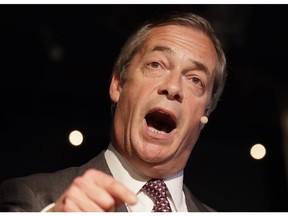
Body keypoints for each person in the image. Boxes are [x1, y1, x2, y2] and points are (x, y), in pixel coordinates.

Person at [0, 11, 227, 212]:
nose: (173, 87)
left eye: (195, 79)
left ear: (206, 112)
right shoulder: (33, 197)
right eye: (156, 65)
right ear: (118, 85)